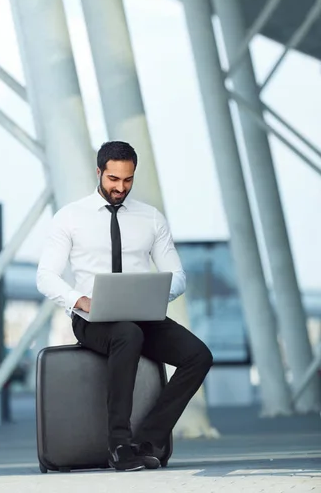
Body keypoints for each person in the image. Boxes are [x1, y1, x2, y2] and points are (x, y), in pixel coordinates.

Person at [37, 141, 213, 472]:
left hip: (142, 313)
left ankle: (148, 439)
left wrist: (156, 294)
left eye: (128, 180)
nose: (120, 188)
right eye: (113, 179)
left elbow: (178, 276)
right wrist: (81, 300)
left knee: (198, 356)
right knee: (127, 335)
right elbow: (45, 276)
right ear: (99, 172)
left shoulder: (151, 218)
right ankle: (118, 445)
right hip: (92, 318)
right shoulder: (71, 218)